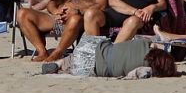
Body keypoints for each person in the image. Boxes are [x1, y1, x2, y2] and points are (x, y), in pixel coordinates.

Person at [40, 35, 178, 78]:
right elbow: (132, 75)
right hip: (88, 69)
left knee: (74, 57)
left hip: (90, 48)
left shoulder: (142, 44)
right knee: (75, 66)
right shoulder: (144, 69)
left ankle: (58, 63)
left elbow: (154, 43)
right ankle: (62, 67)